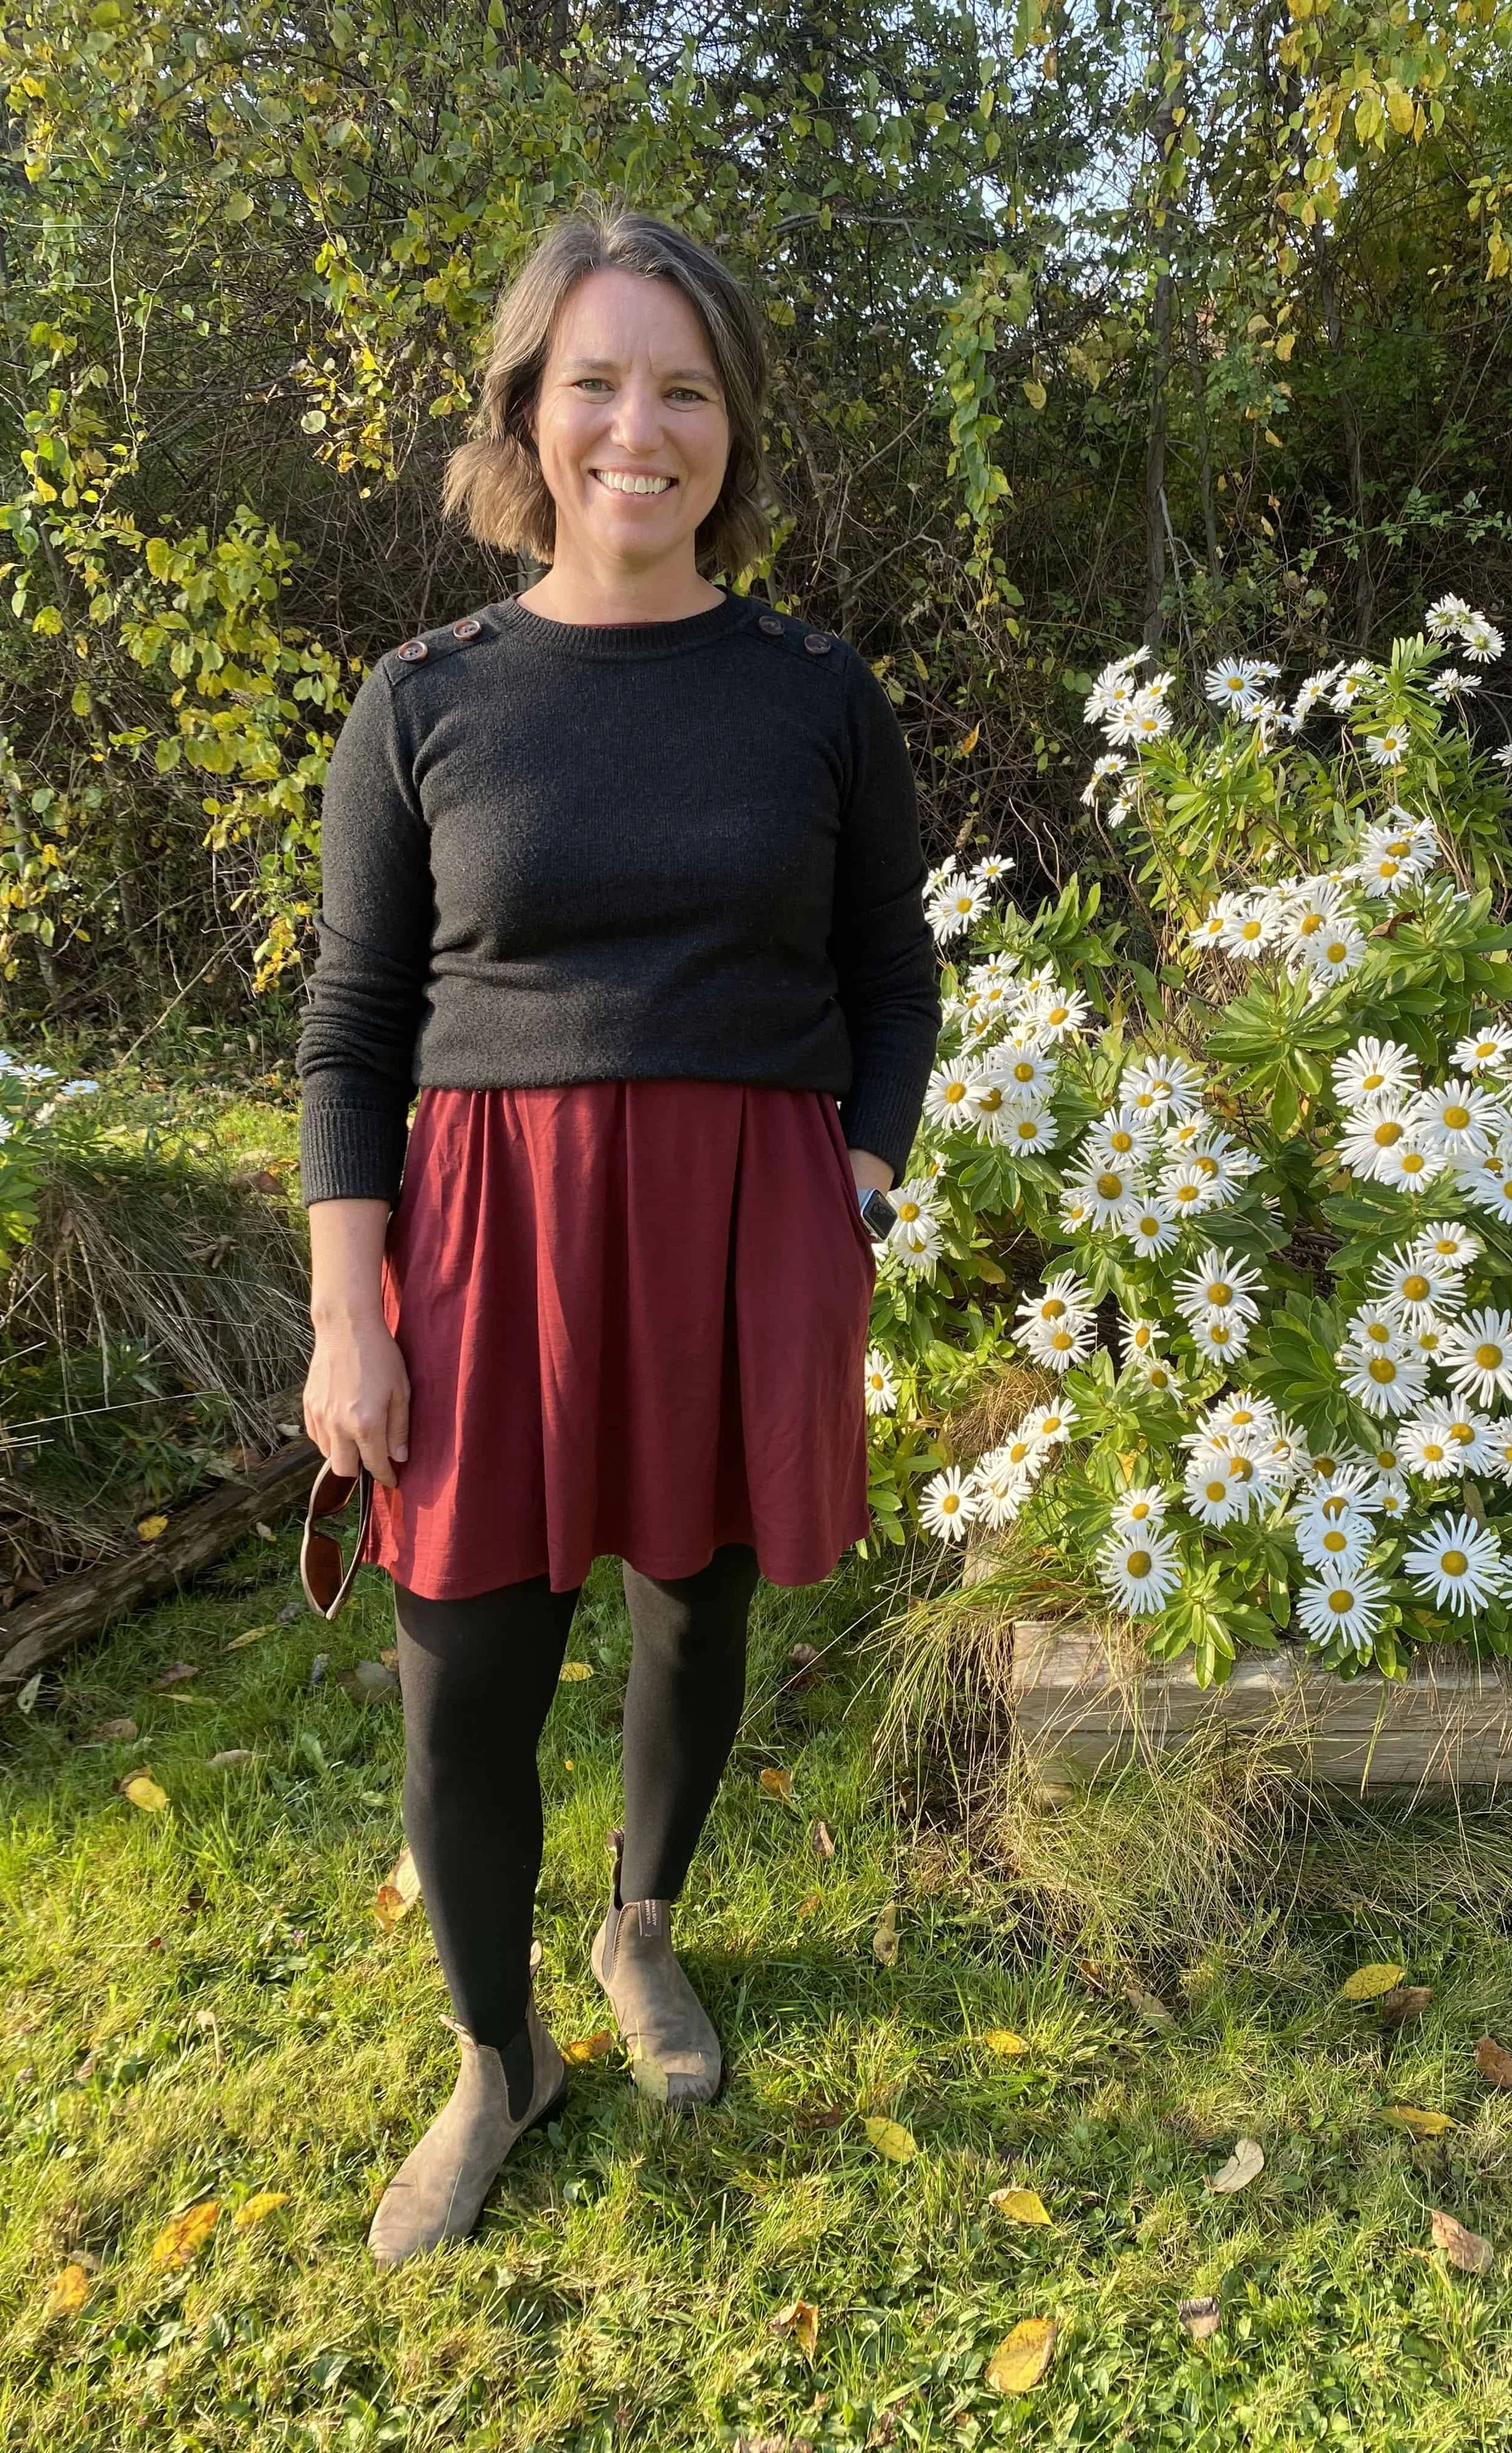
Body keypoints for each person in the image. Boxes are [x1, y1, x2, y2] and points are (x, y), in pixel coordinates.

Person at [295, 201, 940, 2265]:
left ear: (730, 428)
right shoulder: (424, 697)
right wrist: (349, 1313)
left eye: (681, 388)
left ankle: (643, 1922)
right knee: (461, 1668)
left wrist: (856, 1182)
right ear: (527, 413)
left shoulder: (815, 694)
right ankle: (498, 2053)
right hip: (487, 1227)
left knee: (693, 1601)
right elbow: (351, 1025)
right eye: (595, 382)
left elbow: (892, 973)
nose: (636, 428)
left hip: (745, 1222)